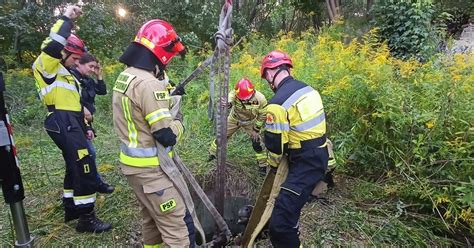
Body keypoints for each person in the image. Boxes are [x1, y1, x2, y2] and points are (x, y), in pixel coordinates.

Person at [112, 19, 197, 247]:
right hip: (152, 171)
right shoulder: (149, 85)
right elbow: (165, 135)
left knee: (151, 218)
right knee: (176, 225)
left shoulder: (126, 76)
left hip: (133, 170)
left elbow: (141, 110)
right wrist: (179, 122)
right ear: (161, 54)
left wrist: (170, 96)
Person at [31, 5, 111, 233]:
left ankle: (71, 207)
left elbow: (76, 105)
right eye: (74, 58)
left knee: (72, 165)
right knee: (84, 164)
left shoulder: (66, 73)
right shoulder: (46, 66)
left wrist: (85, 125)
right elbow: (54, 42)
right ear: (63, 52)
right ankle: (87, 218)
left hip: (71, 120)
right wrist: (67, 19)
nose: (77, 63)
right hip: (60, 120)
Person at [260, 50, 329, 247]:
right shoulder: (309, 90)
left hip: (304, 164)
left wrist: (271, 168)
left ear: (271, 72)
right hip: (319, 156)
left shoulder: (277, 104)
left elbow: (275, 148)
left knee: (280, 224)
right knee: (291, 209)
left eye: (266, 76)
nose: (267, 81)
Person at [70, 53, 114, 194]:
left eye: (95, 67)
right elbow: (72, 101)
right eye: (90, 66)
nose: (92, 69)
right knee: (89, 154)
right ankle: (94, 183)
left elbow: (102, 91)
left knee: (87, 154)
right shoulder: (71, 78)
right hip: (74, 122)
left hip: (84, 122)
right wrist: (83, 111)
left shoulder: (86, 79)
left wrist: (98, 75)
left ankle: (90, 182)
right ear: (78, 63)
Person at [208, 78, 268, 173]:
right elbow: (229, 99)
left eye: (247, 98)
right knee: (221, 136)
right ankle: (212, 154)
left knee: (257, 143)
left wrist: (256, 130)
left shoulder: (260, 99)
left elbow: (262, 115)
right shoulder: (234, 94)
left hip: (250, 122)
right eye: (242, 98)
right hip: (234, 119)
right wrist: (227, 103)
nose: (245, 100)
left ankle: (263, 165)